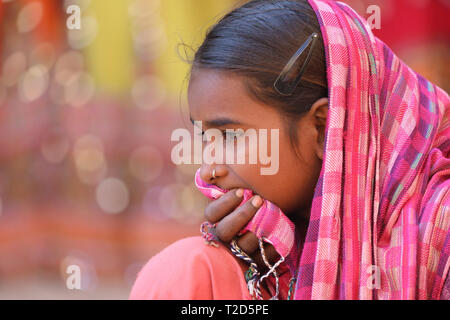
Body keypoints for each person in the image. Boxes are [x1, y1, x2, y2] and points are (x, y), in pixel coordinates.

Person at [130, 0, 449, 300]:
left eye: (229, 137)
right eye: (205, 137)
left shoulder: (439, 229)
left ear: (322, 129)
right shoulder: (247, 257)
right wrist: (266, 276)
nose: (207, 170)